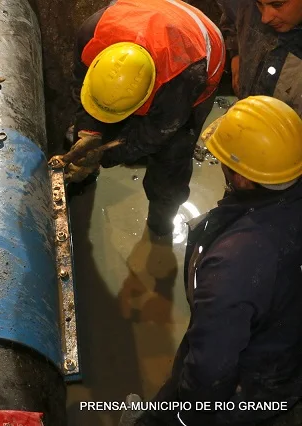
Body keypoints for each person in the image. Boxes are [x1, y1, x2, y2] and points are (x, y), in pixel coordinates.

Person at [119, 96, 302, 426]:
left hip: (247, 387)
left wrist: (185, 415)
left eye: (224, 162)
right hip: (285, 358)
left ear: (243, 177)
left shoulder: (233, 263)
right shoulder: (286, 203)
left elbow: (210, 368)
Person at [49, 0, 225, 237]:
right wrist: (89, 133)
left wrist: (104, 155)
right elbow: (81, 87)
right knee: (84, 135)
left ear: (145, 98)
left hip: (196, 55)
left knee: (171, 159)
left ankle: (161, 221)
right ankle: (84, 178)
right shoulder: (91, 34)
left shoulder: (183, 78)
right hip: (146, 20)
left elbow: (153, 135)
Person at [217, 0, 301, 115]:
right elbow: (230, 16)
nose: (265, 18)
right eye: (258, 4)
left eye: (277, 5)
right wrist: (235, 52)